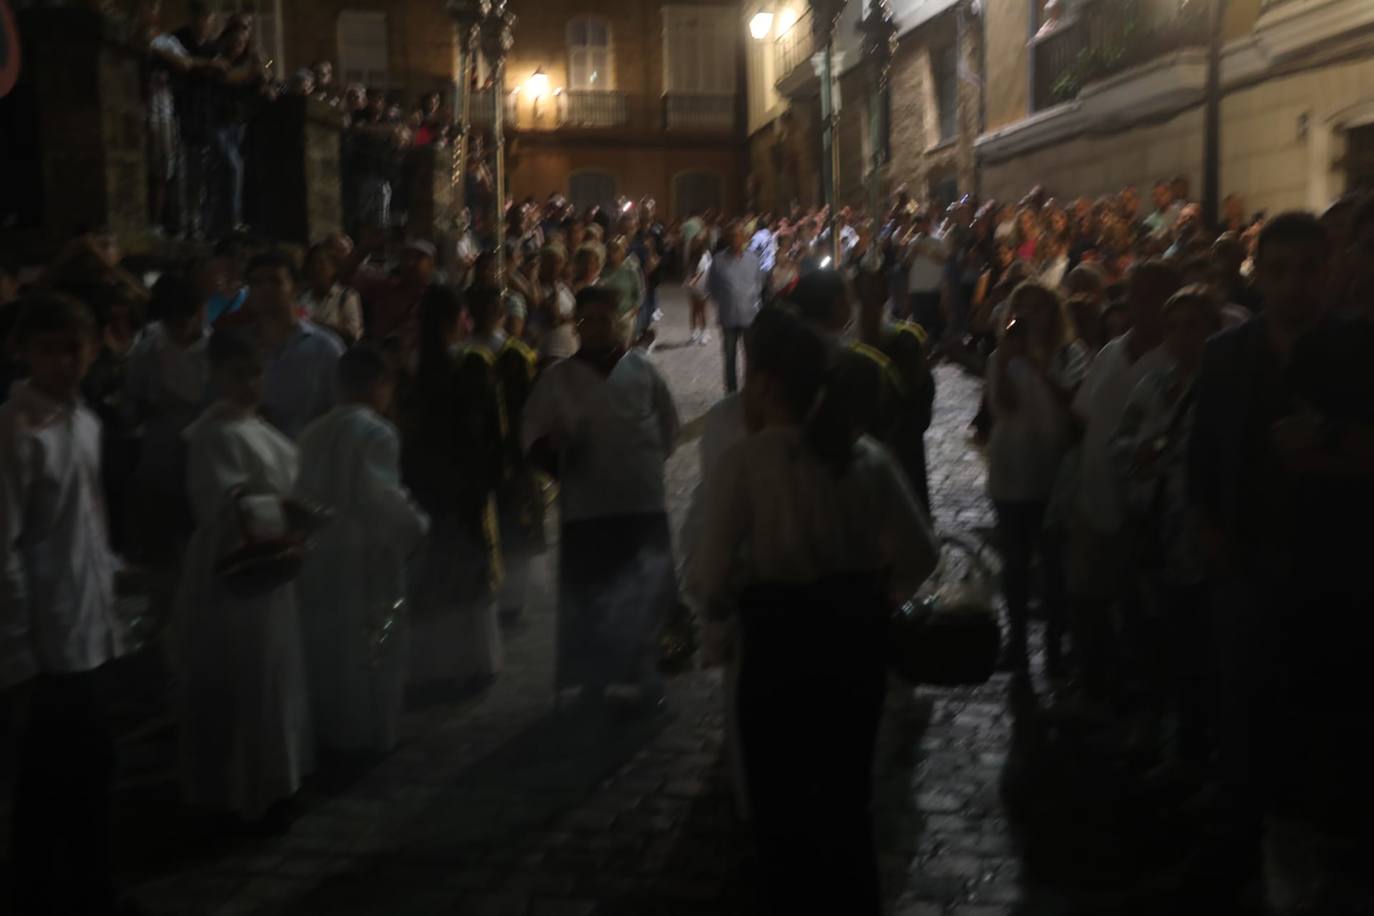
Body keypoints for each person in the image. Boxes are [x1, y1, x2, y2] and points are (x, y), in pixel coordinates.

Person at [687, 307, 938, 916]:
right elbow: (920, 555)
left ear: (768, 384)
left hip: (778, 646)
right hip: (854, 644)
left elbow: (707, 576)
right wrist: (874, 589)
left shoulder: (747, 463)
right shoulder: (865, 456)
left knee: (780, 811)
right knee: (847, 802)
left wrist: (727, 602)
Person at [1190, 212, 1374, 909]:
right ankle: (1239, 855)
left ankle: (1318, 865)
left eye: (1309, 267)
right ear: (1259, 274)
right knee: (1241, 713)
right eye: (1281, 268)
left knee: (1323, 724)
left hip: (1335, 576)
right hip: (1244, 565)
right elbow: (1204, 450)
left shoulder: (1360, 350)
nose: (1295, 283)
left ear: (1329, 271)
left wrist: (1328, 436)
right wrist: (1206, 525)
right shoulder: (1227, 354)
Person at [1, 295, 127, 915]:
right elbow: (6, 550)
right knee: (50, 784)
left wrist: (111, 590)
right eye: (49, 348)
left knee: (86, 773)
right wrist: (20, 652)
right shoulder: (16, 432)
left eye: (75, 347)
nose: (64, 361)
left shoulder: (85, 422)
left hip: (87, 626)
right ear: (23, 352)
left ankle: (85, 890)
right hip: (47, 641)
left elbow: (87, 524)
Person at [173, 331, 313, 830]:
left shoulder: (260, 427)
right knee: (241, 674)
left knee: (273, 672)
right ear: (216, 377)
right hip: (233, 566)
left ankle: (276, 779)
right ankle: (235, 792)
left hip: (272, 562)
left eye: (256, 372)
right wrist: (282, 510)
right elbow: (221, 503)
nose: (250, 383)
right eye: (238, 374)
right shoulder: (212, 434)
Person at [522, 287, 680, 709]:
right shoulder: (558, 378)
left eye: (603, 319)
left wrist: (640, 463)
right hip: (587, 506)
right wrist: (558, 457)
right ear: (577, 326)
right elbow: (532, 434)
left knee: (643, 593)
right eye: (587, 319)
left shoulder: (643, 371)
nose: (595, 327)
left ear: (619, 322)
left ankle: (646, 674)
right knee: (591, 596)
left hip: (641, 502)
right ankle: (593, 678)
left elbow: (668, 427)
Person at [294, 347, 429, 754]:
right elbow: (381, 498)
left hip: (319, 553)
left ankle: (328, 730)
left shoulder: (311, 432)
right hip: (365, 554)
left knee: (326, 644)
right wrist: (417, 527)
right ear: (378, 386)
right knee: (372, 644)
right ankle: (368, 734)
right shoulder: (376, 432)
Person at [1110, 285, 1222, 770]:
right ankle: (1156, 726)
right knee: (1153, 634)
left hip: (1201, 538)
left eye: (1193, 325)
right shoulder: (1152, 386)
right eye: (1174, 325)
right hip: (1153, 527)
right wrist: (1138, 453)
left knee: (1198, 648)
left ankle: (1196, 751)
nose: (1182, 336)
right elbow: (1121, 441)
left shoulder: (1222, 392)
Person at [1067, 260, 1181, 701]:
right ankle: (1094, 685)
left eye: (1153, 295)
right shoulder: (1112, 351)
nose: (1143, 304)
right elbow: (1082, 415)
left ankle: (1138, 703)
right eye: (1137, 294)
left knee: (1140, 613)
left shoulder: (1178, 360)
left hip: (1146, 512)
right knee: (1086, 601)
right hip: (1094, 500)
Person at [402, 286, 504, 690]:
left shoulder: (413, 364)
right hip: (459, 479)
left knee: (438, 568)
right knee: (465, 568)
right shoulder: (464, 364)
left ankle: (436, 662)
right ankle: (469, 660)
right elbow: (476, 428)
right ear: (455, 319)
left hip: (425, 479)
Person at [986, 282, 1085, 677]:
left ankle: (1057, 645)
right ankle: (1018, 644)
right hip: (1012, 467)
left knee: (1055, 562)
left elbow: (1073, 404)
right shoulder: (1002, 357)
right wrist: (1011, 359)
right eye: (1021, 310)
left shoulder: (1069, 354)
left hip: (1053, 468)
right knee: (1015, 561)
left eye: (1037, 310)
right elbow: (1003, 405)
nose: (1029, 318)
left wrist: (1040, 365)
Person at [124, 273, 210, 565]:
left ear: (200, 313)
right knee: (162, 557)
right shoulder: (146, 352)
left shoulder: (217, 353)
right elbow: (131, 405)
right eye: (169, 323)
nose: (175, 331)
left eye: (181, 323)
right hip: (160, 467)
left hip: (206, 468)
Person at [241, 252, 344, 440]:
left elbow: (340, 412)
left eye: (275, 281)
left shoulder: (325, 347)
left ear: (295, 288)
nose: (265, 289)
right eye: (256, 283)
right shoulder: (240, 347)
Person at [707, 221, 764, 393]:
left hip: (749, 316)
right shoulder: (718, 260)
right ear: (726, 238)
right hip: (728, 316)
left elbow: (759, 283)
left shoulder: (753, 260)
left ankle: (749, 391)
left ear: (745, 238)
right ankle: (730, 392)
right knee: (729, 357)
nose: (735, 239)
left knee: (751, 357)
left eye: (738, 235)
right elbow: (712, 286)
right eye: (731, 236)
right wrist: (725, 300)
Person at [298, 242, 363, 345]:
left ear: (333, 268)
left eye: (321, 263)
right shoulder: (302, 299)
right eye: (312, 264)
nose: (316, 268)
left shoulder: (346, 297)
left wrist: (314, 325)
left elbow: (353, 334)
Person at [600, 235, 644, 347]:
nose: (611, 254)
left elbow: (638, 295)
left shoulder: (630, 270)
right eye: (609, 251)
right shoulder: (602, 272)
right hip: (607, 318)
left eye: (615, 251)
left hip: (626, 317)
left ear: (622, 252)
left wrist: (631, 314)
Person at [686, 235, 713, 346]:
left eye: (697, 242)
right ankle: (694, 333)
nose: (694, 245)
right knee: (693, 310)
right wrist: (689, 281)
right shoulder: (691, 255)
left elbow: (702, 271)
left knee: (702, 310)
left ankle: (704, 332)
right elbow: (689, 269)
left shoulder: (706, 255)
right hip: (692, 287)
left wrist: (693, 280)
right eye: (693, 242)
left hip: (703, 286)